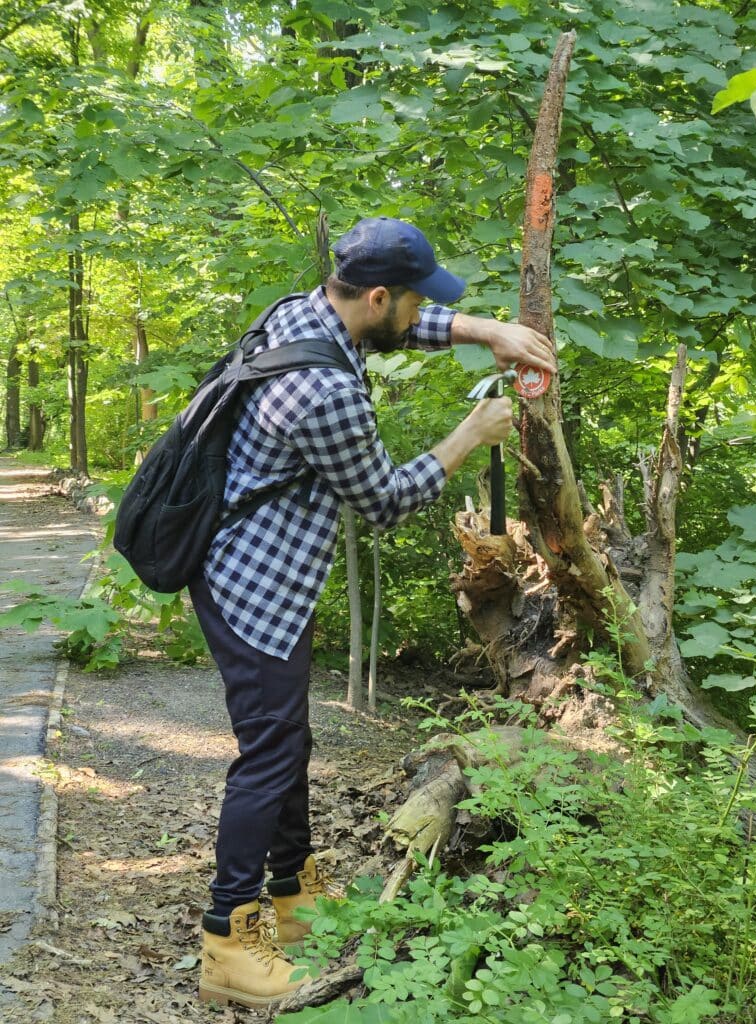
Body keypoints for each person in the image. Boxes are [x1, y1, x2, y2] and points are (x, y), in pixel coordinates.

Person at [192, 216, 556, 1009]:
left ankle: (291, 898)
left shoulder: (309, 309)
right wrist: (470, 432)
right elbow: (386, 502)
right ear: (378, 295)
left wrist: (487, 328)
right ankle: (226, 942)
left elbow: (405, 327)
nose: (423, 310)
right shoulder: (322, 389)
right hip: (252, 586)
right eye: (415, 298)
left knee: (288, 740)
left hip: (264, 571)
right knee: (269, 757)